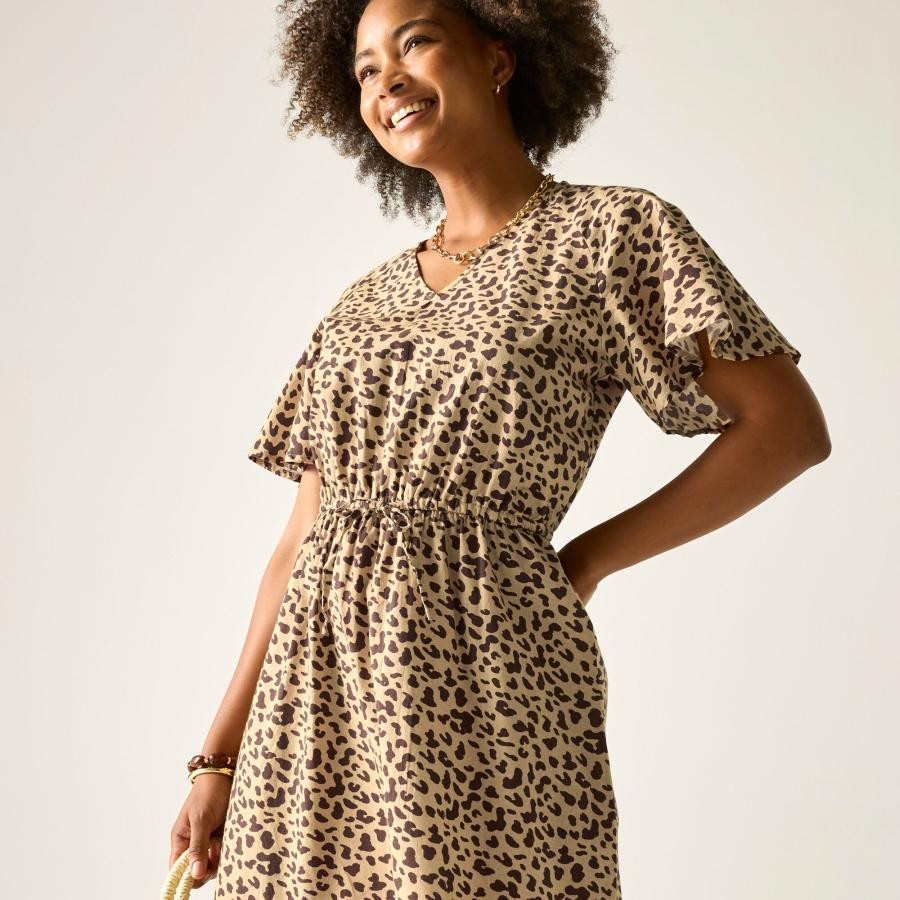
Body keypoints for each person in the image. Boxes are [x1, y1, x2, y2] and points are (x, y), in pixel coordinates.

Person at [168, 2, 831, 897]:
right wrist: (218, 755)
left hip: (487, 671)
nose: (388, 79)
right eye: (365, 68)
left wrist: (587, 558)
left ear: (499, 58)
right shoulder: (360, 305)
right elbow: (300, 543)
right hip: (312, 707)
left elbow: (787, 429)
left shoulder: (613, 232)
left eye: (415, 41)